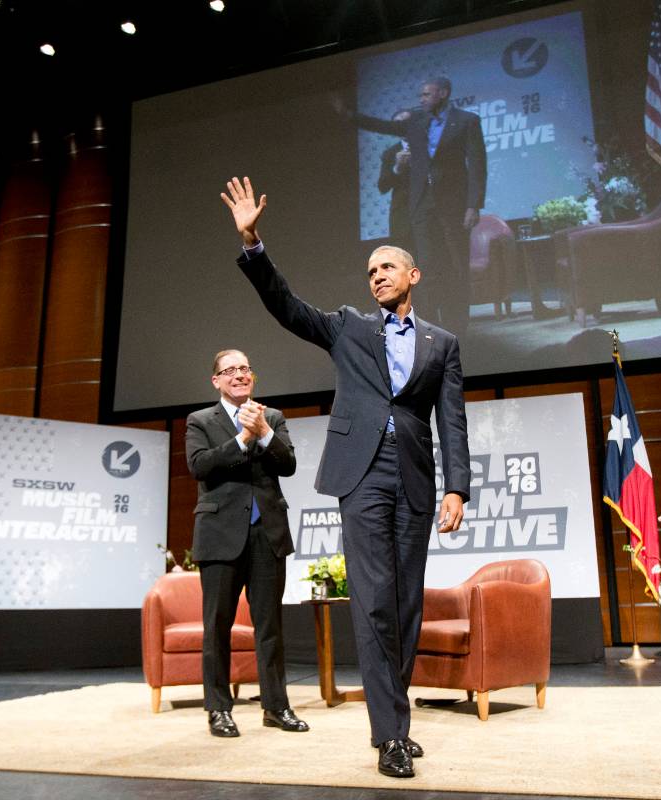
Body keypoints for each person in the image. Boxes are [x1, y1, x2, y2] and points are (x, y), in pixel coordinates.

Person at [220, 176, 470, 779]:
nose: (377, 275)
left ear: (414, 276)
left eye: (387, 267)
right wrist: (253, 243)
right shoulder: (349, 327)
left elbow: (452, 421)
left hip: (414, 477)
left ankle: (395, 718)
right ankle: (389, 734)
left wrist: (457, 487)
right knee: (374, 601)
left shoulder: (443, 344)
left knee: (407, 603)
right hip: (361, 475)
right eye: (370, 270)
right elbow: (288, 306)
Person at [185, 349, 310, 738]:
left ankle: (276, 707)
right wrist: (242, 438)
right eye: (230, 370)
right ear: (216, 381)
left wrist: (264, 432)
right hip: (220, 535)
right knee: (217, 626)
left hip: (266, 534)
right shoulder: (200, 420)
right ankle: (219, 709)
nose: (239, 375)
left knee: (270, 626)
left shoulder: (271, 417)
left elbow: (287, 464)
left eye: (244, 369)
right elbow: (199, 466)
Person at [337, 76, 486, 336]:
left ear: (443, 93)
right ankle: (431, 328)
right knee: (426, 268)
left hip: (453, 206)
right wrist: (350, 115)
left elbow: (477, 166)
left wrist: (473, 205)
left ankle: (459, 328)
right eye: (421, 95)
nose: (421, 99)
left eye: (426, 94)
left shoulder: (467, 121)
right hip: (422, 206)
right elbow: (383, 126)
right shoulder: (416, 122)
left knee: (455, 265)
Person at [377, 109, 414, 254]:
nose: (402, 126)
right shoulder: (390, 153)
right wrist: (397, 168)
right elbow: (382, 187)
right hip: (403, 217)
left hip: (431, 212)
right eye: (398, 124)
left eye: (406, 121)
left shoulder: (433, 145)